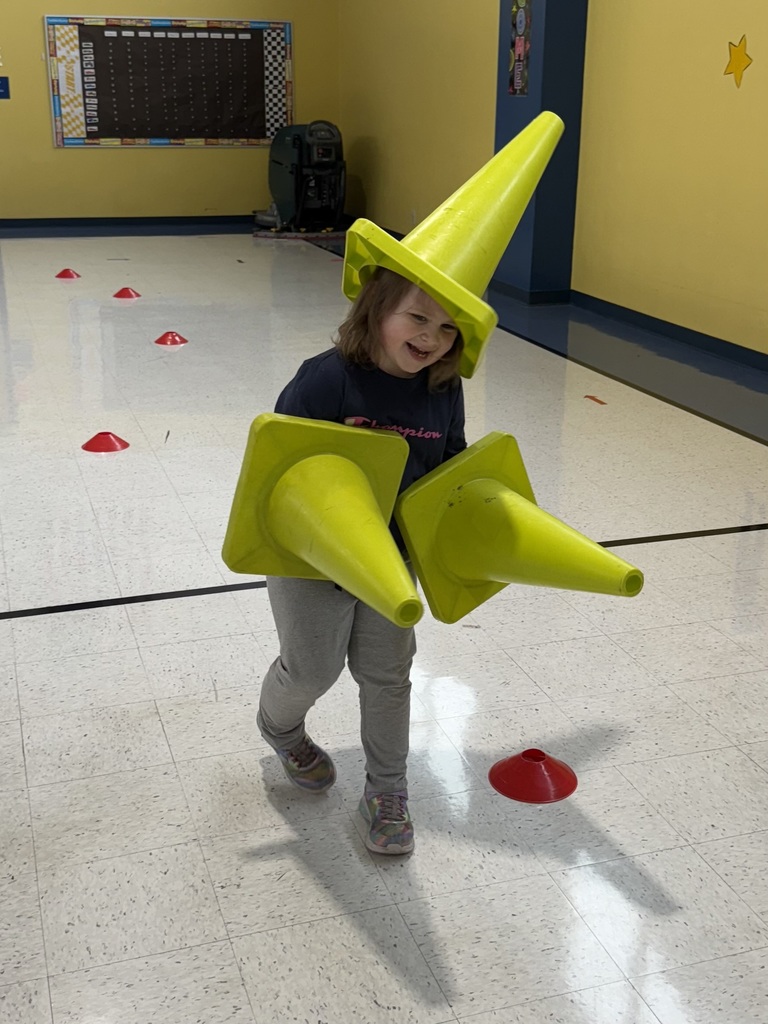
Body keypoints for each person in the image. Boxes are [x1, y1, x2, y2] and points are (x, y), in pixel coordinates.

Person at [256, 266, 467, 855]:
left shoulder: (443, 389)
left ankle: (387, 791)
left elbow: (450, 466)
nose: (431, 338)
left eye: (448, 328)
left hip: (389, 562)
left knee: (388, 675)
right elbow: (280, 465)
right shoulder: (326, 379)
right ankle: (280, 727)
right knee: (312, 670)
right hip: (311, 561)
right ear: (376, 310)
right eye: (418, 317)